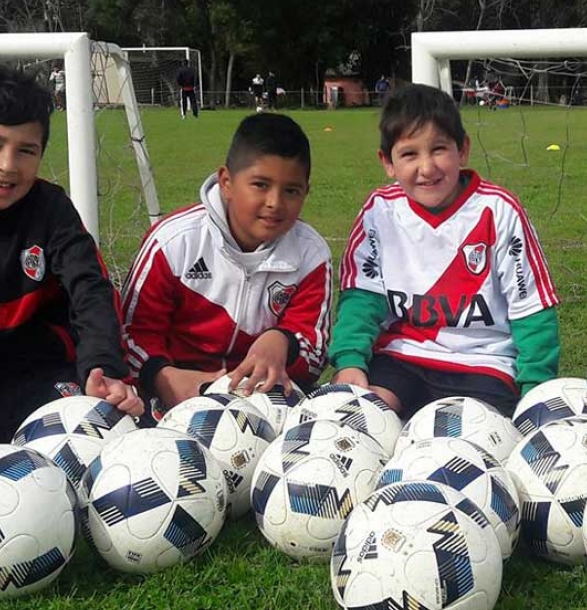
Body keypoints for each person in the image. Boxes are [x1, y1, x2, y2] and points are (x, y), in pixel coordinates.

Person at [0, 61, 143, 443]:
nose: (7, 165)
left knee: (111, 441)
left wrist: (102, 366)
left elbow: (91, 288)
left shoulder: (51, 209)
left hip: (40, 376)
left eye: (26, 150)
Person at [329, 84, 560, 418]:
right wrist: (350, 360)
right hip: (401, 359)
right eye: (409, 154)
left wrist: (534, 389)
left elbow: (532, 308)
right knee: (362, 419)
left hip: (484, 365)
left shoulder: (499, 210)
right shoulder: (380, 212)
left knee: (475, 440)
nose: (427, 167)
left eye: (439, 149)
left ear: (462, 150)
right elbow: (362, 299)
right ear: (388, 162)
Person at [122, 113, 331, 414]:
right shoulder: (174, 242)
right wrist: (162, 376)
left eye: (291, 190)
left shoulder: (311, 255)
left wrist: (282, 343)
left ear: (306, 192)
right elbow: (133, 332)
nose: (275, 202)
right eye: (260, 185)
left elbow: (314, 356)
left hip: (264, 399)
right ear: (226, 183)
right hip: (172, 399)